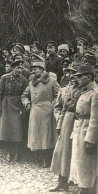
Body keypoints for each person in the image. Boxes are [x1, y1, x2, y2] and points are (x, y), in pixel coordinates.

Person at [21, 60, 60, 168]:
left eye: (36, 68)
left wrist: (53, 104)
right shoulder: (31, 83)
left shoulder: (51, 81)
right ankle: (38, 156)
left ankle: (47, 159)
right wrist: (27, 103)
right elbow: (24, 96)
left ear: (42, 69)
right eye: (32, 69)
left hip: (47, 111)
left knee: (46, 135)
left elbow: (59, 95)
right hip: (35, 111)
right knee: (36, 134)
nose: (33, 71)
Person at [49, 64, 81, 192]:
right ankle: (62, 181)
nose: (71, 76)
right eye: (69, 73)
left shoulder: (87, 90)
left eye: (74, 73)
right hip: (67, 122)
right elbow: (60, 108)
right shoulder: (65, 90)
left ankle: (81, 184)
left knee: (78, 153)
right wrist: (59, 123)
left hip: (79, 122)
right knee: (63, 152)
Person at [70, 65, 97, 194]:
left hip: (87, 132)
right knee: (81, 162)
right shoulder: (85, 91)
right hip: (80, 128)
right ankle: (84, 188)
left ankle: (88, 189)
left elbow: (95, 119)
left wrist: (90, 139)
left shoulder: (95, 94)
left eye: (80, 77)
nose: (78, 79)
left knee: (88, 164)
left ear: (89, 77)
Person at [0, 60, 28, 160]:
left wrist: (23, 108)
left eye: (21, 68)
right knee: (7, 130)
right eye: (17, 68)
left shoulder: (23, 80)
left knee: (17, 130)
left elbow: (25, 94)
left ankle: (17, 151)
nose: (19, 70)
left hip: (18, 105)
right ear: (13, 68)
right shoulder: (5, 78)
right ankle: (8, 151)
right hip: (6, 105)